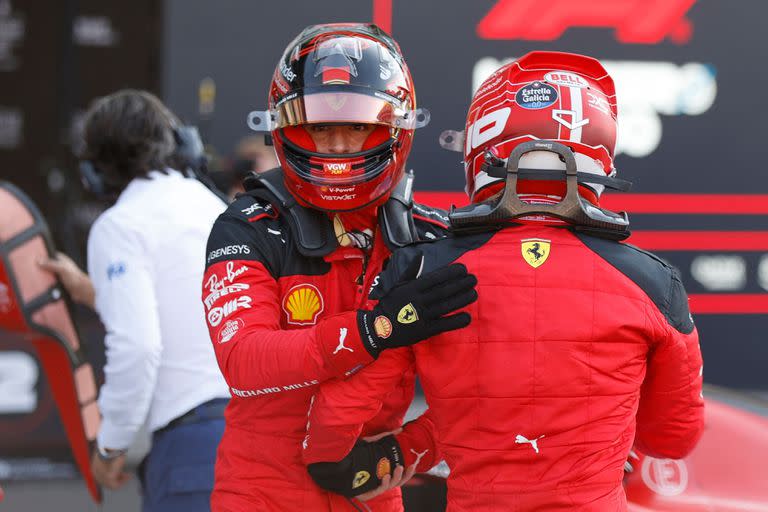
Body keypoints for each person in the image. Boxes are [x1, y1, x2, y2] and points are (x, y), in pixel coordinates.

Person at [302, 51, 706, 511]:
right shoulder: (653, 283)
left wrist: (379, 456)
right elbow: (673, 438)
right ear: (600, 160)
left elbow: (336, 423)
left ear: (482, 148)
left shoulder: (423, 271)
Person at [202, 23, 477, 511]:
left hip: (369, 494)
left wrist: (409, 448)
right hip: (261, 495)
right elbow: (244, 364)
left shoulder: (427, 238)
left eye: (356, 126)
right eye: (320, 127)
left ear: (395, 129)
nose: (337, 147)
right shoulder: (247, 226)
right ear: (285, 129)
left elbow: (488, 383)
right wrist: (373, 331)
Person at [39, 89, 231, 511]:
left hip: (194, 450)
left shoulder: (121, 225)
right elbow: (187, 304)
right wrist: (93, 289)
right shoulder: (213, 207)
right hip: (261, 440)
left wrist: (111, 445)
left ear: (96, 169)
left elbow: (139, 347)